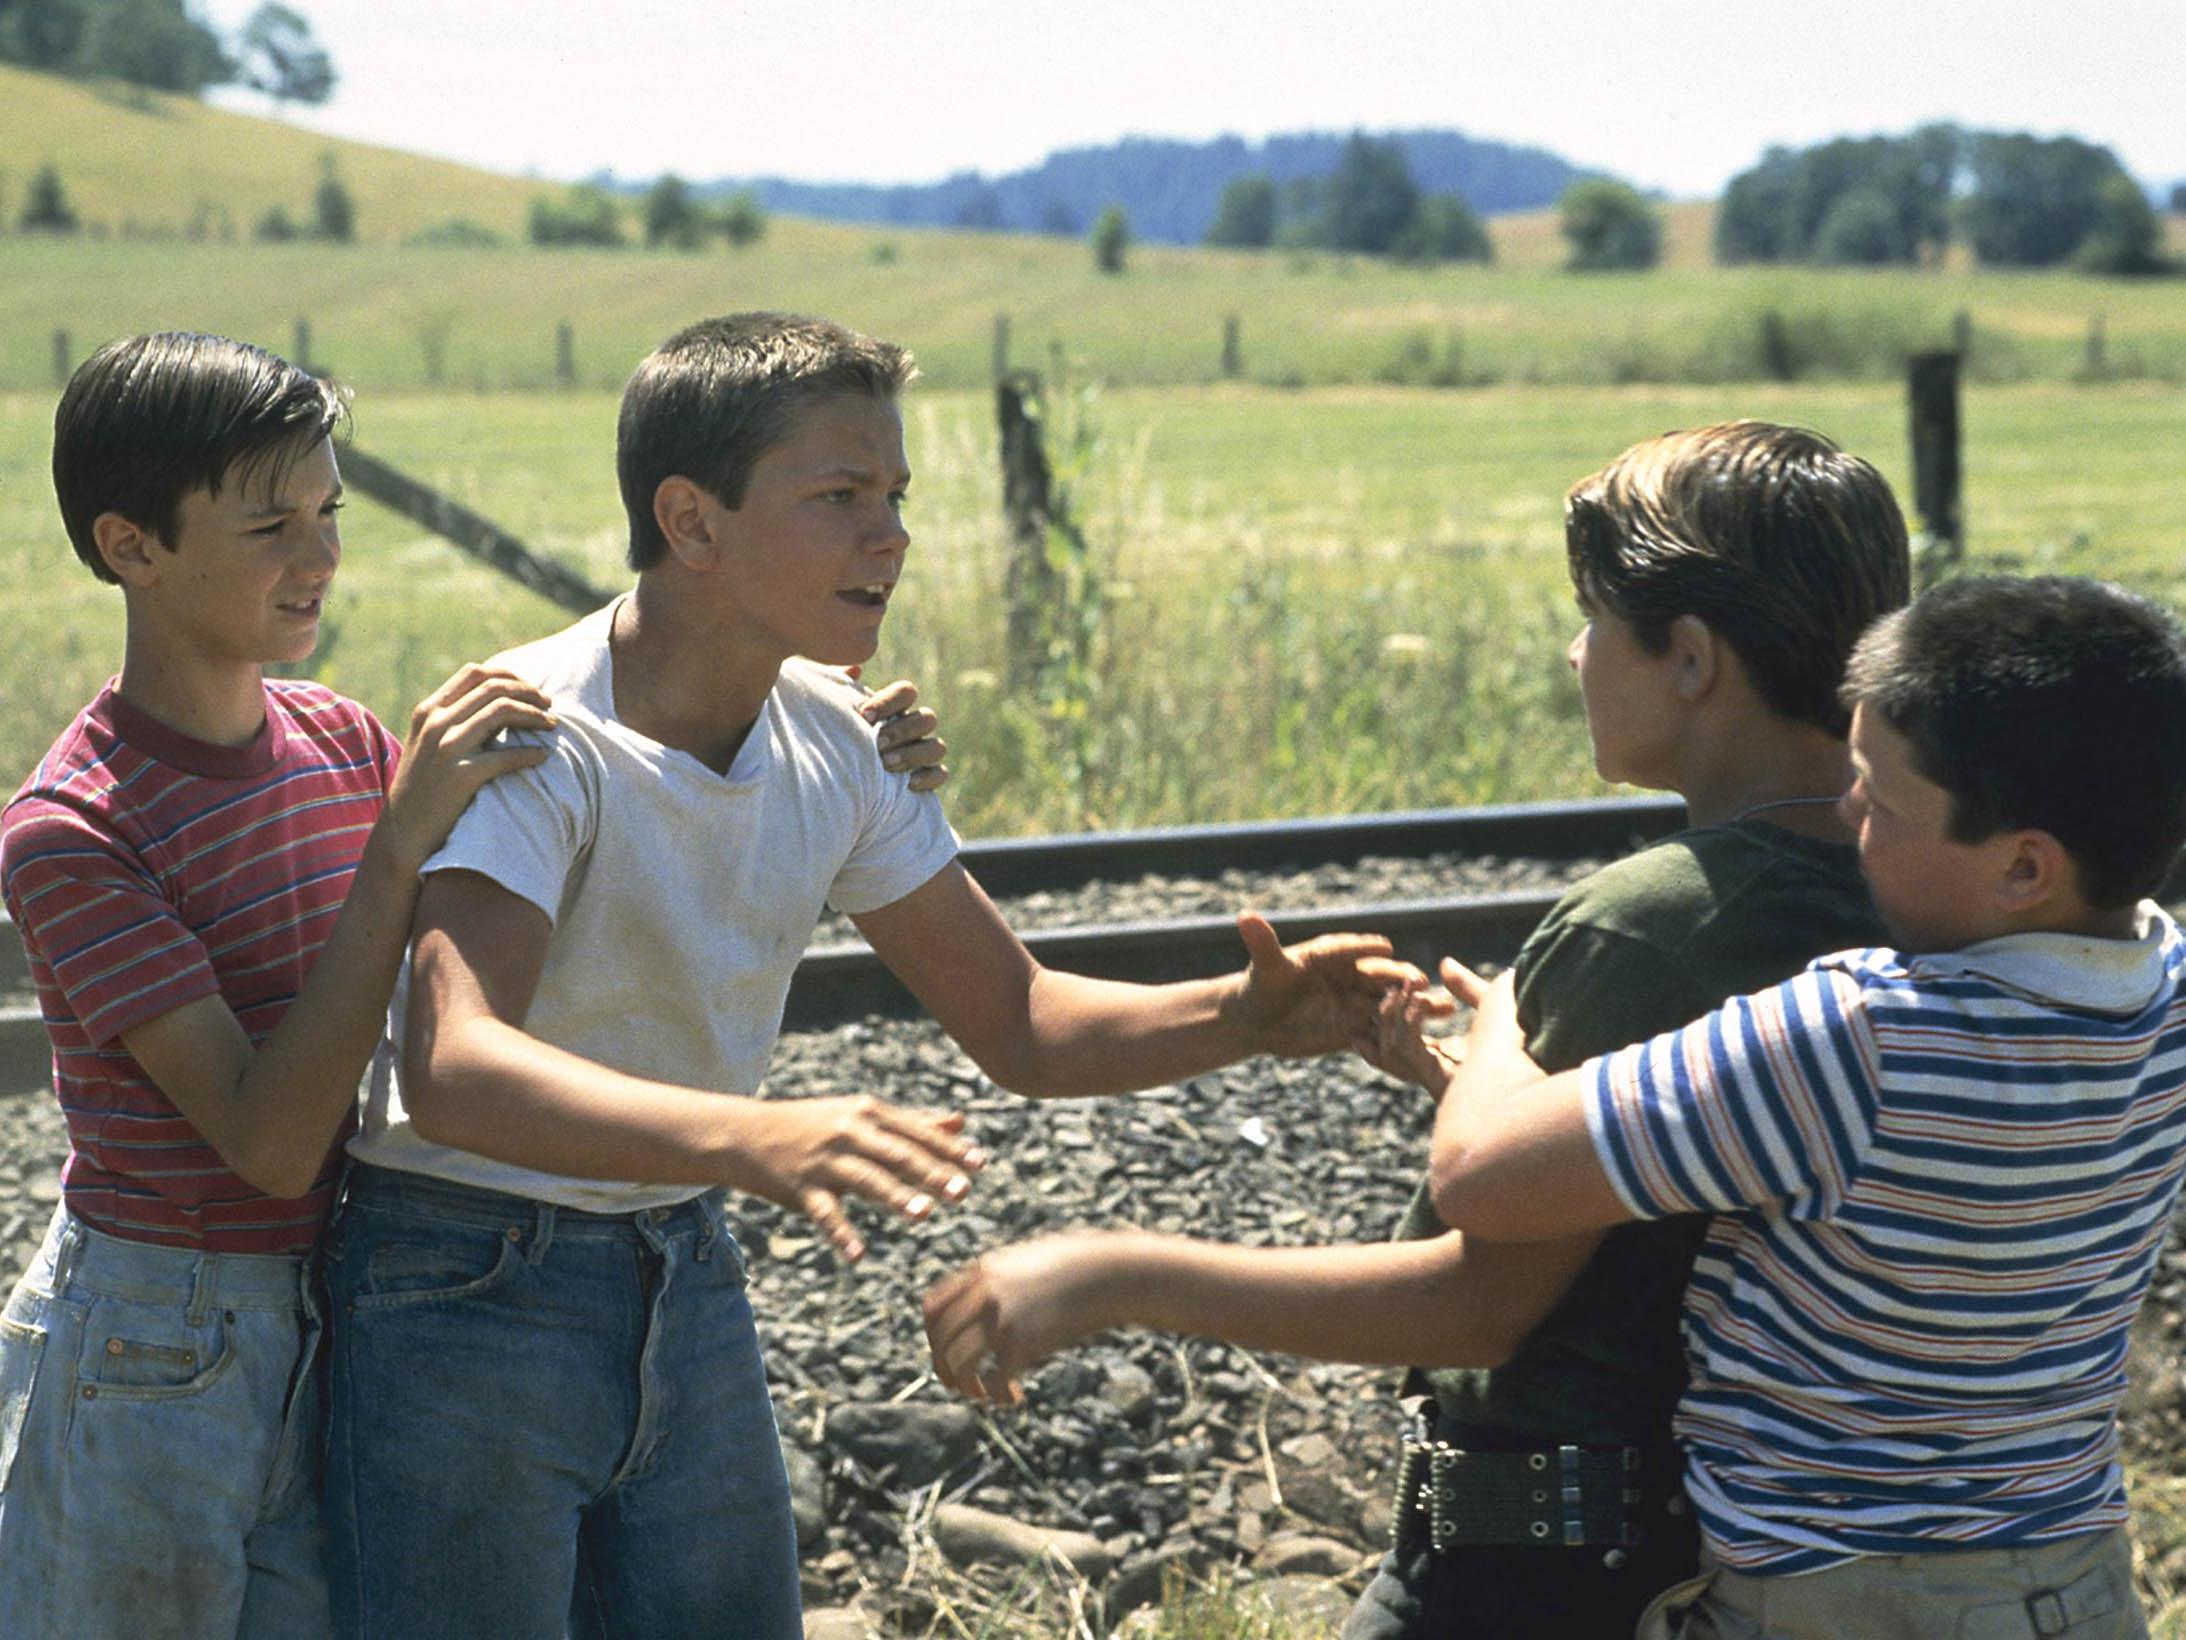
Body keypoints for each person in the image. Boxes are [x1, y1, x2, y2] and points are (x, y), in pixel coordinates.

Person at [324, 310, 1414, 1639]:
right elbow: (452, 1068)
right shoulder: (541, 740)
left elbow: (1019, 1021)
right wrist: (756, 1134)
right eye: (838, 497)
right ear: (693, 521)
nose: (887, 535)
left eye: (894, 495)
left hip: (680, 1257)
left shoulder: (835, 738)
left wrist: (1240, 1015)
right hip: (462, 1284)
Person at [0, 330, 949, 1640]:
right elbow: (271, 1141)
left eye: (328, 511)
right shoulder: (74, 829)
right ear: (130, 546)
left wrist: (830, 715)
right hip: (159, 1339)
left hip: (329, 1306)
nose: (320, 558)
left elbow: (597, 805)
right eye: (273, 524)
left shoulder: (338, 737)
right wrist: (400, 843)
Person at [923, 421, 1913, 1638]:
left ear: (1693, 657)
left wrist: (1110, 1273)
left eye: (1593, 615)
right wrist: (1471, 1086)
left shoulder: (1648, 922)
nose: (1572, 649)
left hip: (1537, 1566)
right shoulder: (1904, 884)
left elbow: (1476, 1306)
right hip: (1708, 1551)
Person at [1411, 574, 2186, 1640]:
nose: (1844, 811)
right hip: (2073, 1578)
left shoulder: (1858, 1034)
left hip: (1839, 1597)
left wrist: (1502, 1017)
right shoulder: (2162, 989)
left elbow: (1481, 1176)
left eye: (1879, 795)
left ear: (2020, 864)